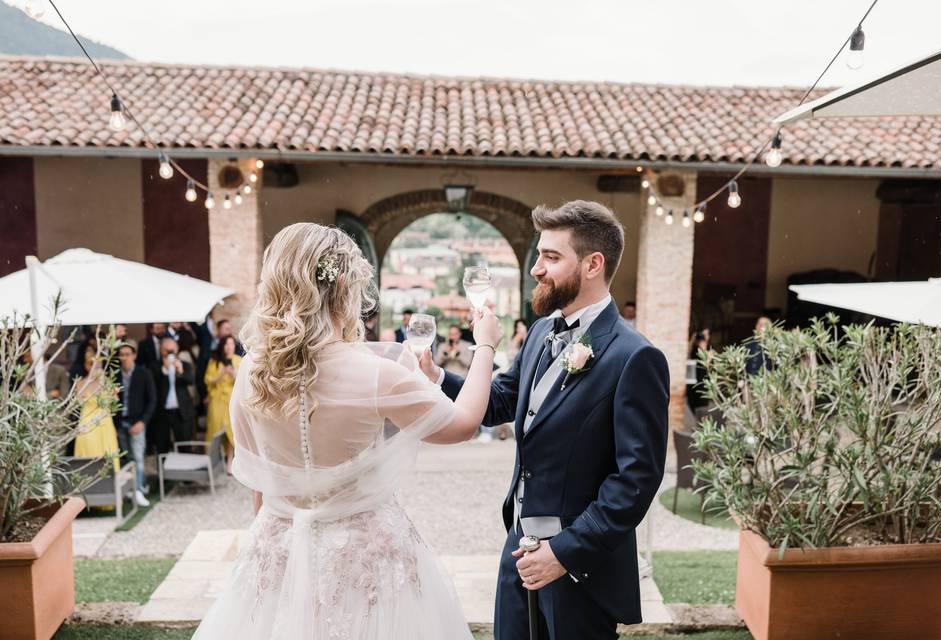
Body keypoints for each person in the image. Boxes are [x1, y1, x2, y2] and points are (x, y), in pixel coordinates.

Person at [192, 223, 502, 639]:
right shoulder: (377, 375)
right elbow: (464, 424)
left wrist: (277, 549)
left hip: (277, 550)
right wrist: (485, 346)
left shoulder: (251, 372)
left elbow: (260, 481)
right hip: (367, 564)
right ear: (343, 285)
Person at [423, 200, 670, 640]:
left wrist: (564, 552)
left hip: (578, 568)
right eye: (539, 255)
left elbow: (636, 479)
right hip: (517, 549)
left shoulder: (635, 357)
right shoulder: (541, 332)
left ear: (593, 264)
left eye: (551, 257)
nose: (537, 268)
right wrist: (438, 377)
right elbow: (501, 401)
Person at [114, 341, 156, 506]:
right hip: (120, 422)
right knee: (126, 458)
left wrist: (143, 421)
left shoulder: (143, 373)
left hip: (137, 422)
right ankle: (131, 488)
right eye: (121, 354)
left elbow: (152, 400)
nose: (124, 357)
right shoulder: (115, 375)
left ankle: (138, 490)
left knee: (138, 457)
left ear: (134, 355)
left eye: (127, 354)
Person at [74, 351, 121, 472]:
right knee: (88, 449)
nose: (97, 368)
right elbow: (78, 402)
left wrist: (107, 386)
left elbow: (115, 403)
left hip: (105, 421)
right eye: (93, 365)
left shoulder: (107, 382)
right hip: (87, 420)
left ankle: (110, 478)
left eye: (99, 366)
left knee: (107, 449)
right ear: (87, 366)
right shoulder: (80, 383)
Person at [149, 336, 196, 453]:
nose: (170, 353)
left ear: (177, 349)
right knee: (162, 445)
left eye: (172, 350)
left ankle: (184, 469)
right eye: (166, 350)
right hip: (162, 412)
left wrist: (180, 371)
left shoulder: (184, 365)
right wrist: (164, 369)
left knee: (184, 445)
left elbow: (191, 380)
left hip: (181, 412)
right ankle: (163, 470)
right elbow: (152, 384)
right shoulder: (154, 366)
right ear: (161, 350)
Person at [203, 335, 241, 471]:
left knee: (232, 430)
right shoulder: (214, 361)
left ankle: (230, 461)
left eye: (231, 344)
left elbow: (242, 382)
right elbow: (208, 380)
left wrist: (233, 373)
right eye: (226, 344)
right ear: (222, 346)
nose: (229, 346)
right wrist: (221, 373)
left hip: (232, 399)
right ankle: (212, 461)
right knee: (215, 428)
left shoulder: (238, 360)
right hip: (218, 400)